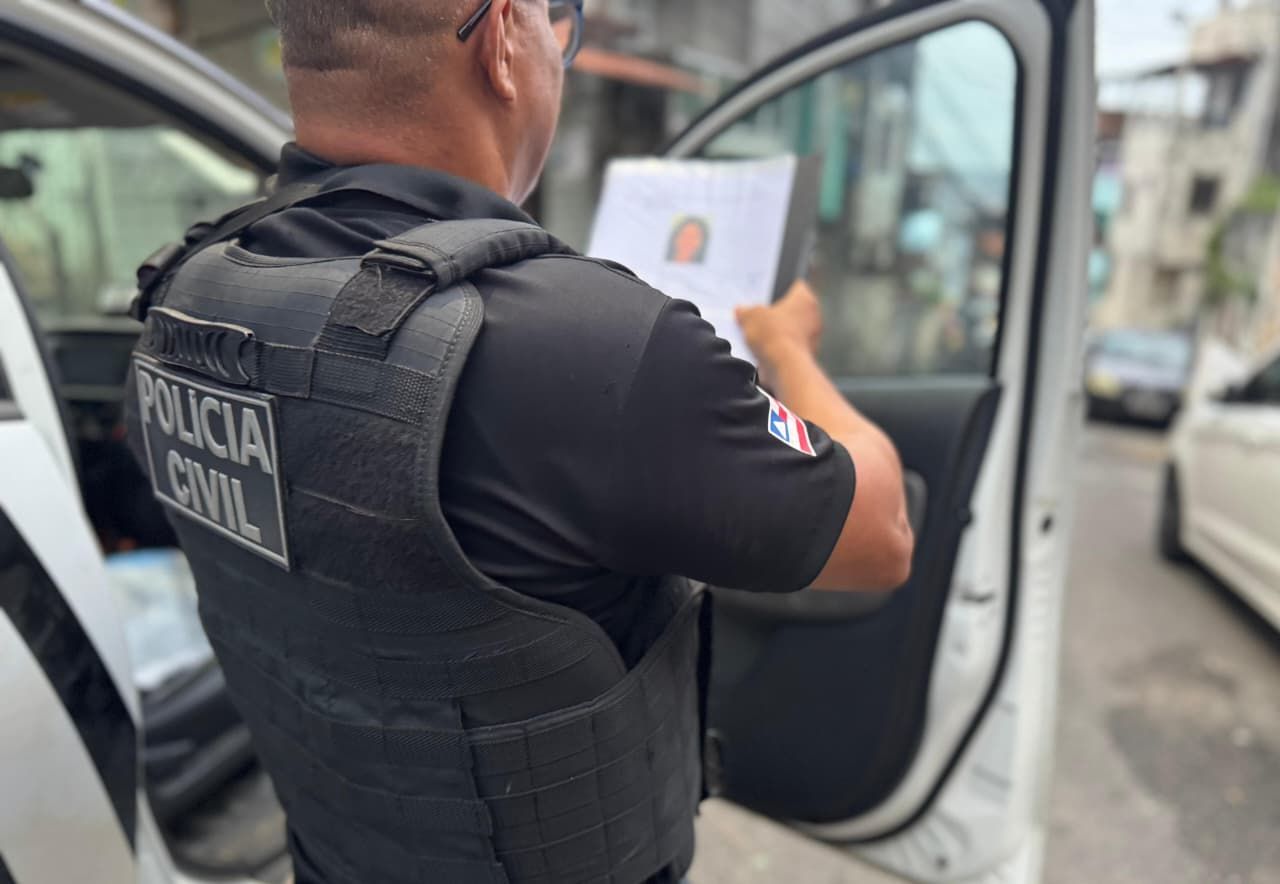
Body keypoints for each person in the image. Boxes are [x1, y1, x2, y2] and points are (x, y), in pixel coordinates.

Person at [123, 1, 914, 882]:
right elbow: (878, 537)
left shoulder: (188, 292)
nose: (558, 51)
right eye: (552, 18)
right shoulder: (586, 345)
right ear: (503, 38)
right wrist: (789, 350)